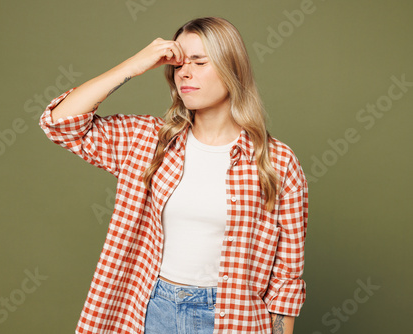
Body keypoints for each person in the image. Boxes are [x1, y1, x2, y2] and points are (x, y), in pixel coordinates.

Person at [39, 16, 308, 334]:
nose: (185, 73)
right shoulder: (148, 141)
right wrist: (135, 65)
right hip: (155, 311)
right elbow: (60, 122)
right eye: (179, 64)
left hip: (234, 320)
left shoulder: (276, 161)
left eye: (199, 62)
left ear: (231, 68)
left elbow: (285, 281)